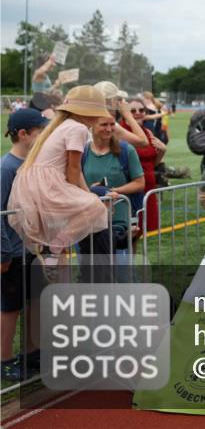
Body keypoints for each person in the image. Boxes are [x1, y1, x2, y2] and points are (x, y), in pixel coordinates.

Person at [7, 85, 112, 259]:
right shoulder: (78, 129)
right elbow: (74, 167)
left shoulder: (62, 125)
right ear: (88, 111)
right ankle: (55, 246)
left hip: (34, 184)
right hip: (47, 185)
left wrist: (86, 194)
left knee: (92, 203)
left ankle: (51, 248)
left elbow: (75, 171)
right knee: (97, 208)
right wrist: (77, 194)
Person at [1, 109, 49, 382]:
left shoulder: (29, 165)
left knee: (35, 301)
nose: (44, 138)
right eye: (40, 132)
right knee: (9, 308)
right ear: (23, 134)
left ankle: (31, 353)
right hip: (11, 252)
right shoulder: (6, 168)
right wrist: (4, 252)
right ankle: (4, 359)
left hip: (30, 248)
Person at [81, 116, 145, 261]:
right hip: (88, 224)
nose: (109, 129)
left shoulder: (126, 150)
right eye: (104, 125)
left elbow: (140, 183)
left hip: (119, 223)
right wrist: (91, 191)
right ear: (91, 125)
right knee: (89, 274)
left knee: (122, 275)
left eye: (112, 124)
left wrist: (113, 191)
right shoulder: (82, 153)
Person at [123, 99, 167, 232]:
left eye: (141, 110)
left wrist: (163, 150)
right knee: (127, 235)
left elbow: (152, 163)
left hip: (149, 188)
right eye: (132, 111)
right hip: (130, 189)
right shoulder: (121, 131)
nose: (137, 113)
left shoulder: (147, 132)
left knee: (138, 234)